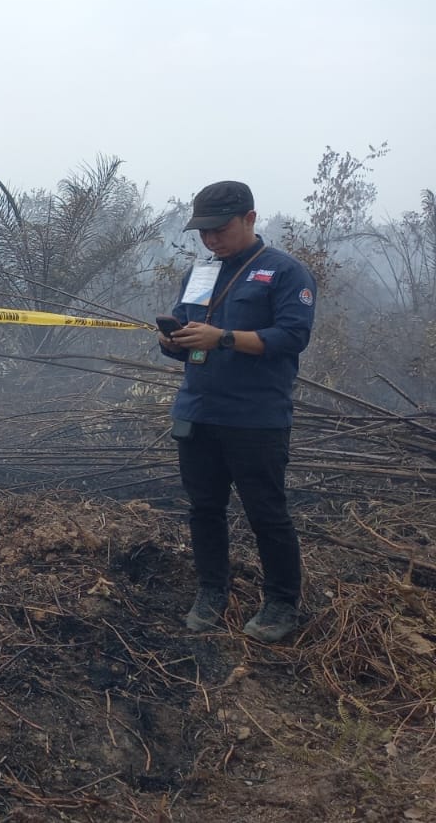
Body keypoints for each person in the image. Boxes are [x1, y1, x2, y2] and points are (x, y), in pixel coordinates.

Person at [159, 181, 315, 643]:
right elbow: (186, 343)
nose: (210, 240)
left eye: (220, 229)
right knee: (204, 508)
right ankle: (211, 591)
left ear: (250, 218)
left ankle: (282, 603)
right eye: (203, 231)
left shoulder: (285, 272)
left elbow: (291, 337)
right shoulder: (200, 273)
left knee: (266, 512)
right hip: (199, 411)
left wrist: (222, 338)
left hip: (255, 418)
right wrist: (172, 341)